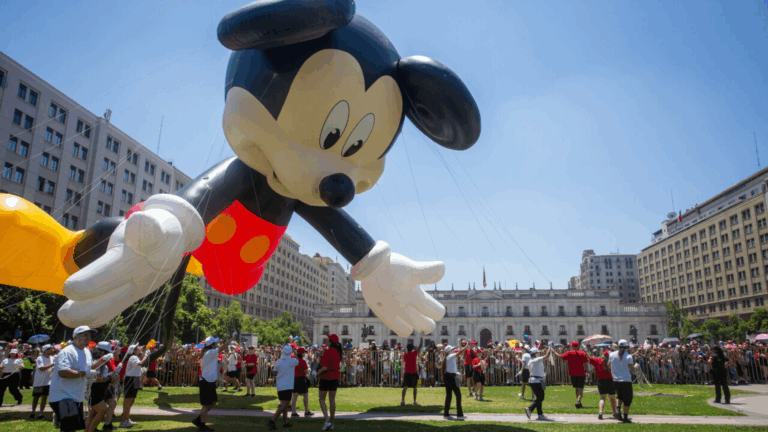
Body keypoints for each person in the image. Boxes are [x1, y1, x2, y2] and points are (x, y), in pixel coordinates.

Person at [49, 326, 109, 432]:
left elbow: (90, 368)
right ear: (76, 337)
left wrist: (102, 360)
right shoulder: (67, 352)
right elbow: (63, 372)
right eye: (85, 335)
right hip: (63, 396)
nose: (88, 337)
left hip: (76, 395)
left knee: (73, 428)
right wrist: (86, 374)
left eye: (89, 335)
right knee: (69, 428)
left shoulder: (86, 351)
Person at [192, 332, 236, 432]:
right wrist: (232, 338)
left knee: (213, 402)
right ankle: (202, 425)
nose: (216, 344)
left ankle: (199, 420)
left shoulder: (207, 352)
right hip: (207, 381)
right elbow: (223, 347)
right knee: (207, 404)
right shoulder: (210, 352)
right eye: (215, 343)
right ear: (212, 345)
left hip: (208, 381)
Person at [266, 345, 298, 430]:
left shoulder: (278, 362)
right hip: (288, 385)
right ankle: (272, 421)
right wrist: (295, 352)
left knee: (285, 404)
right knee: (284, 404)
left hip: (280, 385)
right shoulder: (292, 361)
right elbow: (297, 361)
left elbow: (274, 373)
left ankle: (285, 422)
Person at [86, 342, 114, 432]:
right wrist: (110, 378)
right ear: (102, 353)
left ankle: (88, 430)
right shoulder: (97, 362)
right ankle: (91, 430)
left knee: (93, 413)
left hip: (99, 390)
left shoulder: (102, 363)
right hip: (95, 390)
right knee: (102, 410)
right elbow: (97, 379)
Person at [318, 334, 343, 431]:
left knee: (322, 399)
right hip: (335, 376)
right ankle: (332, 422)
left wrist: (317, 373)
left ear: (331, 341)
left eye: (327, 339)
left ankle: (327, 421)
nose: (326, 340)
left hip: (326, 376)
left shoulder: (327, 352)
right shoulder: (338, 352)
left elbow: (324, 367)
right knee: (332, 400)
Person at [552, 341, 588, 408]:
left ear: (572, 346)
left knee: (576, 388)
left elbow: (560, 357)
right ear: (578, 346)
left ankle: (578, 401)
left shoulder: (569, 353)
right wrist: (587, 370)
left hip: (572, 373)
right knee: (580, 388)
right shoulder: (583, 353)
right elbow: (585, 363)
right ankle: (578, 401)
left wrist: (554, 352)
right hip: (581, 373)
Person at [119, 344, 147, 428]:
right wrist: (146, 356)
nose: (139, 348)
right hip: (131, 379)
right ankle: (124, 420)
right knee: (128, 401)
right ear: (134, 350)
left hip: (134, 379)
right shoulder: (133, 357)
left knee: (131, 400)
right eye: (137, 348)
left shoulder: (134, 357)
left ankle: (126, 419)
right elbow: (140, 363)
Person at [609, 339, 635, 423]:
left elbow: (608, 366)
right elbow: (632, 369)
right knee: (627, 399)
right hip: (626, 380)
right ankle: (625, 417)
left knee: (619, 396)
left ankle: (617, 410)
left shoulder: (611, 355)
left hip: (615, 379)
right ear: (626, 347)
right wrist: (636, 367)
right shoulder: (628, 356)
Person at [586, 349, 616, 420]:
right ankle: (614, 412)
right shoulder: (613, 363)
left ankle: (600, 411)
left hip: (601, 381)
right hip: (611, 380)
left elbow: (589, 358)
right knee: (612, 398)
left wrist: (587, 351)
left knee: (602, 398)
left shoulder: (598, 361)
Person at [524, 347, 552, 421]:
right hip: (536, 380)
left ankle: (540, 414)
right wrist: (549, 349)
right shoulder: (537, 360)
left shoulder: (531, 361)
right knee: (541, 397)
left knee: (538, 398)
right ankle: (530, 409)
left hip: (533, 380)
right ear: (536, 353)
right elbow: (547, 356)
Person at [442, 343, 466, 419]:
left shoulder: (448, 357)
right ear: (449, 351)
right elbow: (460, 352)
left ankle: (446, 413)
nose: (454, 350)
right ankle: (459, 414)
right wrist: (466, 347)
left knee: (449, 395)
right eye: (452, 349)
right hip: (451, 377)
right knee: (458, 395)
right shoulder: (450, 356)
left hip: (448, 376)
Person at [31, 344, 56, 419]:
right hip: (39, 382)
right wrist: (52, 365)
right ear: (46, 350)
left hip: (48, 381)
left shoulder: (52, 358)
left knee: (44, 398)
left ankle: (41, 413)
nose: (52, 350)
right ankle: (33, 412)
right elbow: (41, 368)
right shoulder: (40, 358)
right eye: (51, 349)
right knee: (36, 398)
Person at [290, 347, 313, 418]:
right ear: (302, 354)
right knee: (305, 396)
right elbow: (306, 371)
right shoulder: (303, 361)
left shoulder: (294, 361)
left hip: (296, 379)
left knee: (294, 397)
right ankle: (306, 411)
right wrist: (308, 371)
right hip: (302, 379)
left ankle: (293, 412)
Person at [401, 337, 423, 406]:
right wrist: (421, 341)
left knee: (405, 387)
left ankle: (402, 400)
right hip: (413, 372)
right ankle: (414, 401)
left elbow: (403, 360)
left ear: (407, 349)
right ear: (412, 349)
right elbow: (419, 347)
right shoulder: (414, 354)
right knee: (415, 387)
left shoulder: (405, 355)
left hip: (407, 372)